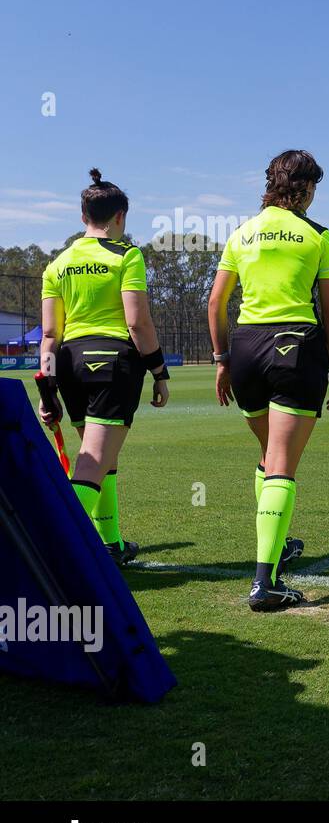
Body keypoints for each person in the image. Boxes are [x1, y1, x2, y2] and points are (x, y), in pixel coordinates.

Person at [208, 150, 329, 611]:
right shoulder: (318, 235)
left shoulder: (241, 233)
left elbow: (215, 303)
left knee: (268, 456)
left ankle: (279, 543)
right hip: (295, 346)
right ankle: (265, 582)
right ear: (304, 188)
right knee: (282, 463)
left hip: (245, 348)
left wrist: (222, 360)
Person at [38, 169, 169, 566]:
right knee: (93, 460)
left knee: (102, 459)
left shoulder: (57, 265)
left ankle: (110, 545)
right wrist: (160, 371)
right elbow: (137, 322)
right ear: (120, 217)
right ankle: (53, 549)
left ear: (83, 217)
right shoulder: (126, 255)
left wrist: (47, 390)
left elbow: (48, 334)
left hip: (69, 363)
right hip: (112, 362)